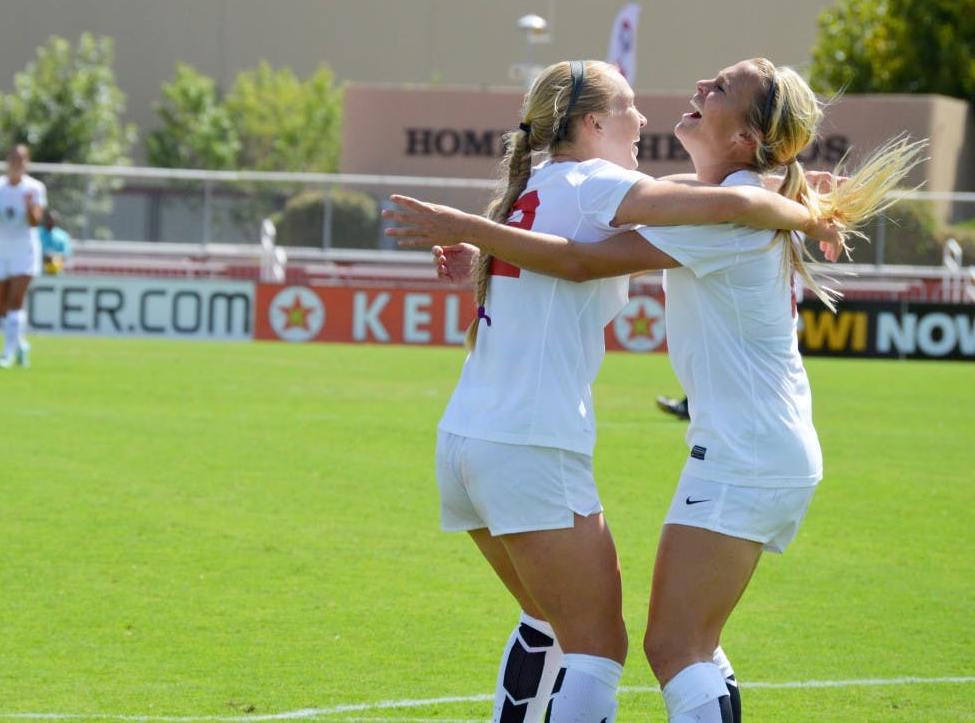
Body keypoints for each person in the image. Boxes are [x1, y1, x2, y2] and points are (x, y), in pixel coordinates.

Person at [383, 58, 923, 723]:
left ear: (746, 138)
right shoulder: (687, 200)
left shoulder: (681, 206)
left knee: (667, 645)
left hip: (739, 451)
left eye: (720, 88)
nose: (695, 90)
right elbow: (679, 210)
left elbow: (589, 254)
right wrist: (805, 202)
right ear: (593, 122)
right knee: (651, 645)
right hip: (713, 445)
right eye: (631, 104)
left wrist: (475, 233)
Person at [0, 144, 46, 368]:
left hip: (24, 249)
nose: (16, 164)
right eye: (12, 159)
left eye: (20, 160)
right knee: (2, 307)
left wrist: (28, 206)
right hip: (1, 248)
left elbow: (35, 221)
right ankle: (21, 344)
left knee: (16, 301)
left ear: (26, 163)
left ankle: (6, 354)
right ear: (7, 162)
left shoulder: (35, 188)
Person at [39, 208, 73, 274]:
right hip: (39, 271)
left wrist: (54, 257)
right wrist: (44, 256)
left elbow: (67, 254)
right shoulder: (36, 233)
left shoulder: (63, 235)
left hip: (57, 272)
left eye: (52, 220)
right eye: (48, 219)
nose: (50, 222)